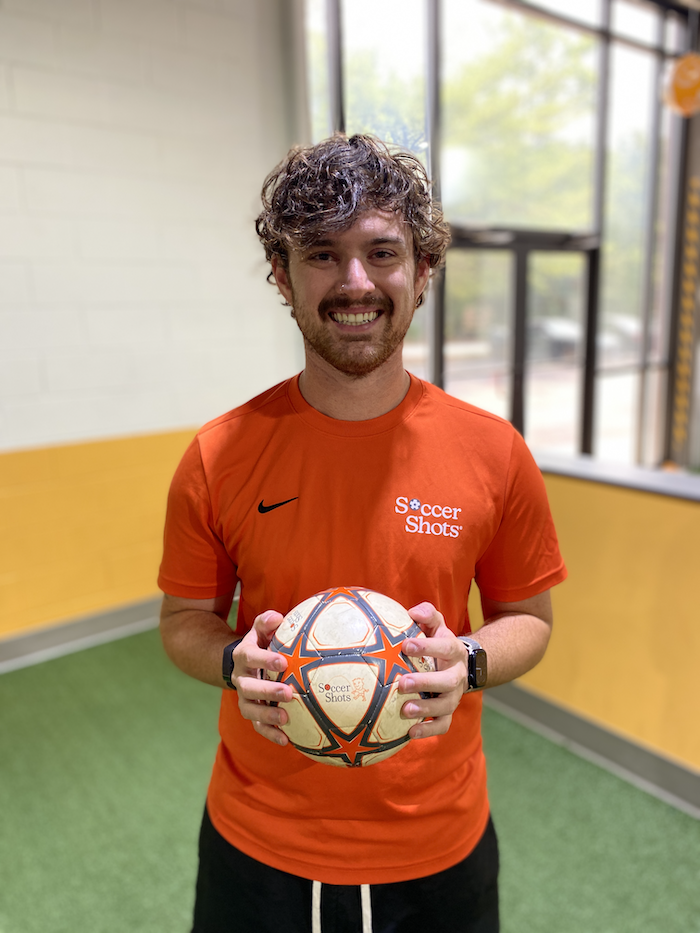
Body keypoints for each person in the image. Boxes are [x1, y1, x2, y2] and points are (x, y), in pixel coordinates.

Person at [158, 134, 567, 933]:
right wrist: (232, 664)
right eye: (321, 254)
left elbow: (531, 621)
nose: (355, 281)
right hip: (259, 844)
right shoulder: (220, 453)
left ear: (422, 272)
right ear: (282, 275)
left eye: (382, 252)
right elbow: (182, 624)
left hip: (440, 845)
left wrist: (470, 661)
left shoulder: (494, 451)